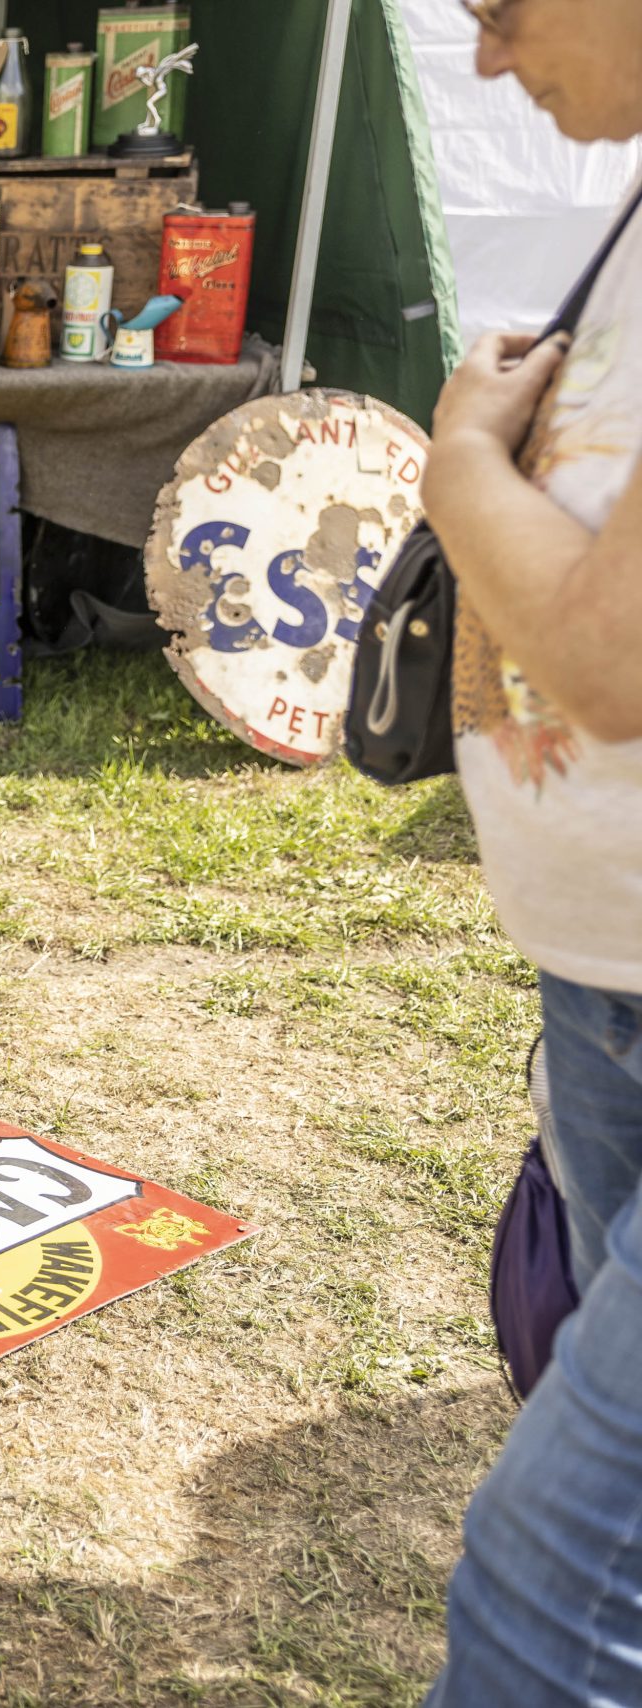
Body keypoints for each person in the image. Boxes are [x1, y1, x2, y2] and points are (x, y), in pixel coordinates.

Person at [415, 2, 642, 1697]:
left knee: (544, 1596)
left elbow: (607, 652)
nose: (488, 60)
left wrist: (456, 463)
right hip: (602, 970)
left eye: (504, 9)